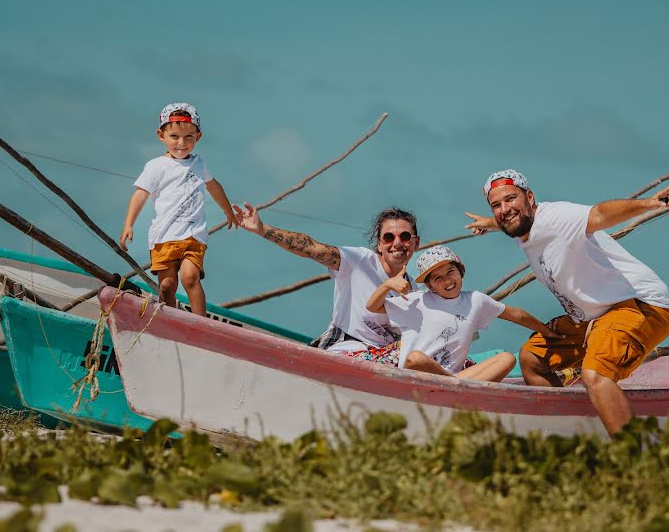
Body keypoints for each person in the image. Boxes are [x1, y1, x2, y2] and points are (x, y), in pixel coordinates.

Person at [465, 169, 669, 435]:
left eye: (511, 199)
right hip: (595, 317)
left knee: (595, 375)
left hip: (641, 306)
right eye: (497, 205)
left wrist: (647, 204)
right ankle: (571, 432)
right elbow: (513, 220)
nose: (505, 209)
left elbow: (599, 214)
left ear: (530, 197)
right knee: (532, 358)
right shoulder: (525, 228)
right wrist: (490, 221)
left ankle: (635, 463)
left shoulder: (556, 217)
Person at [233, 203, 419, 359]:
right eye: (388, 237)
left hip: (384, 359)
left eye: (404, 236)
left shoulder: (414, 290)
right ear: (379, 244)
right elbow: (311, 248)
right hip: (347, 349)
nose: (397, 243)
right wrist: (262, 229)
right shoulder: (359, 260)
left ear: (415, 243)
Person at [366, 245, 556, 382]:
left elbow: (515, 314)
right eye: (438, 278)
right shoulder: (418, 300)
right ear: (430, 285)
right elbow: (373, 306)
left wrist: (547, 332)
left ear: (460, 272)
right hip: (416, 376)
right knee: (415, 358)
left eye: (451, 272)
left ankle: (455, 386)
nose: (447, 280)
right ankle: (456, 386)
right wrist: (386, 285)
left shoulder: (475, 300)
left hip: (456, 377)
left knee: (507, 358)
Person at [120, 102, 236, 317]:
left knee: (190, 278)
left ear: (198, 137)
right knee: (167, 286)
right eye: (174, 137)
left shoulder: (199, 164)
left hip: (194, 234)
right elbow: (140, 194)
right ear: (161, 135)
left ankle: (201, 325)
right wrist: (129, 224)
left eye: (188, 137)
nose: (181, 144)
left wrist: (228, 211)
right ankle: (168, 322)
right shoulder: (156, 166)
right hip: (163, 236)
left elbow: (213, 186)